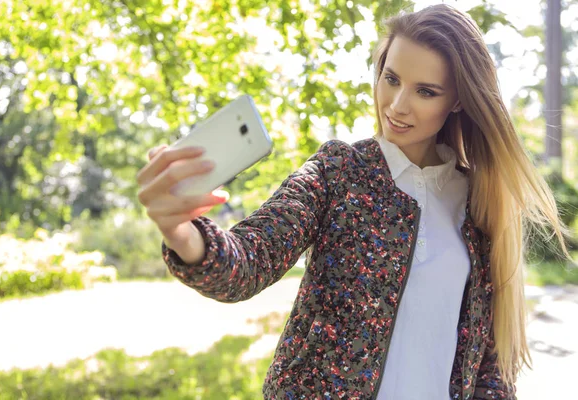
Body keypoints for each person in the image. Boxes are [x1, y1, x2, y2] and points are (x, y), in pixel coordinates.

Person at [136, 4, 572, 399]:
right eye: (392, 79)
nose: (397, 105)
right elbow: (247, 262)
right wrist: (183, 233)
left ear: (458, 99)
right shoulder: (338, 170)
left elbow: (489, 373)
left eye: (426, 91)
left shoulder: (480, 202)